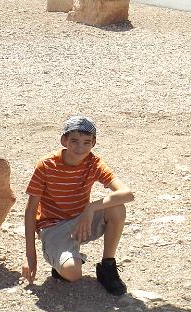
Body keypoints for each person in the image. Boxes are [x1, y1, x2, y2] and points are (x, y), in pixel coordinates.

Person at [22, 116, 134, 296]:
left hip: (81, 221)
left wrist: (90, 208)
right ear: (64, 140)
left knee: (117, 207)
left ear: (93, 143)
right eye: (74, 141)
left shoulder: (94, 163)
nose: (80, 148)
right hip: (53, 227)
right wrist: (30, 256)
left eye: (86, 142)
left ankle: (107, 266)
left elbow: (127, 194)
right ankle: (63, 261)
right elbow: (30, 211)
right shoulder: (46, 165)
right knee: (73, 274)